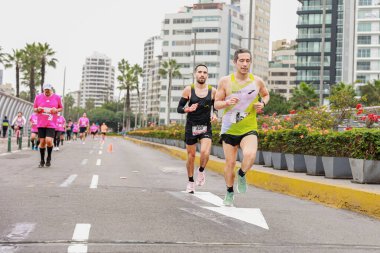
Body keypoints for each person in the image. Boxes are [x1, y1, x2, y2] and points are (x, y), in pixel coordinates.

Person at [214, 48, 270, 206]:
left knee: (250, 155)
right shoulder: (225, 81)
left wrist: (262, 103)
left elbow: (266, 94)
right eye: (241, 61)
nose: (245, 64)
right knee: (230, 164)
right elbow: (216, 104)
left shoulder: (257, 81)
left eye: (247, 61)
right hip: (229, 129)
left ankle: (242, 173)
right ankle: (230, 192)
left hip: (248, 127)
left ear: (250, 62)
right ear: (235, 62)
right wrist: (226, 102)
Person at [177, 64, 217, 194]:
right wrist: (187, 109)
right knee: (191, 156)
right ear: (195, 74)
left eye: (204, 72)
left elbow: (215, 107)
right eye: (199, 72)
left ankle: (201, 171)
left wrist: (215, 114)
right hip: (191, 126)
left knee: (205, 152)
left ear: (207, 75)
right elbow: (179, 108)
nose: (202, 74)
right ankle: (190, 181)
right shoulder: (189, 90)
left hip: (205, 126)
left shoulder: (213, 91)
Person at [34, 83, 63, 167]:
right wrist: (38, 109)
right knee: (42, 142)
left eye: (48, 90)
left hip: (51, 123)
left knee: (49, 141)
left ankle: (49, 157)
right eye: (45, 90)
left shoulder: (57, 97)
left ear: (51, 90)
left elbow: (61, 108)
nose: (47, 92)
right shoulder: (38, 97)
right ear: (43, 89)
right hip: (41, 123)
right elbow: (34, 109)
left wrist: (56, 110)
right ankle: (42, 160)